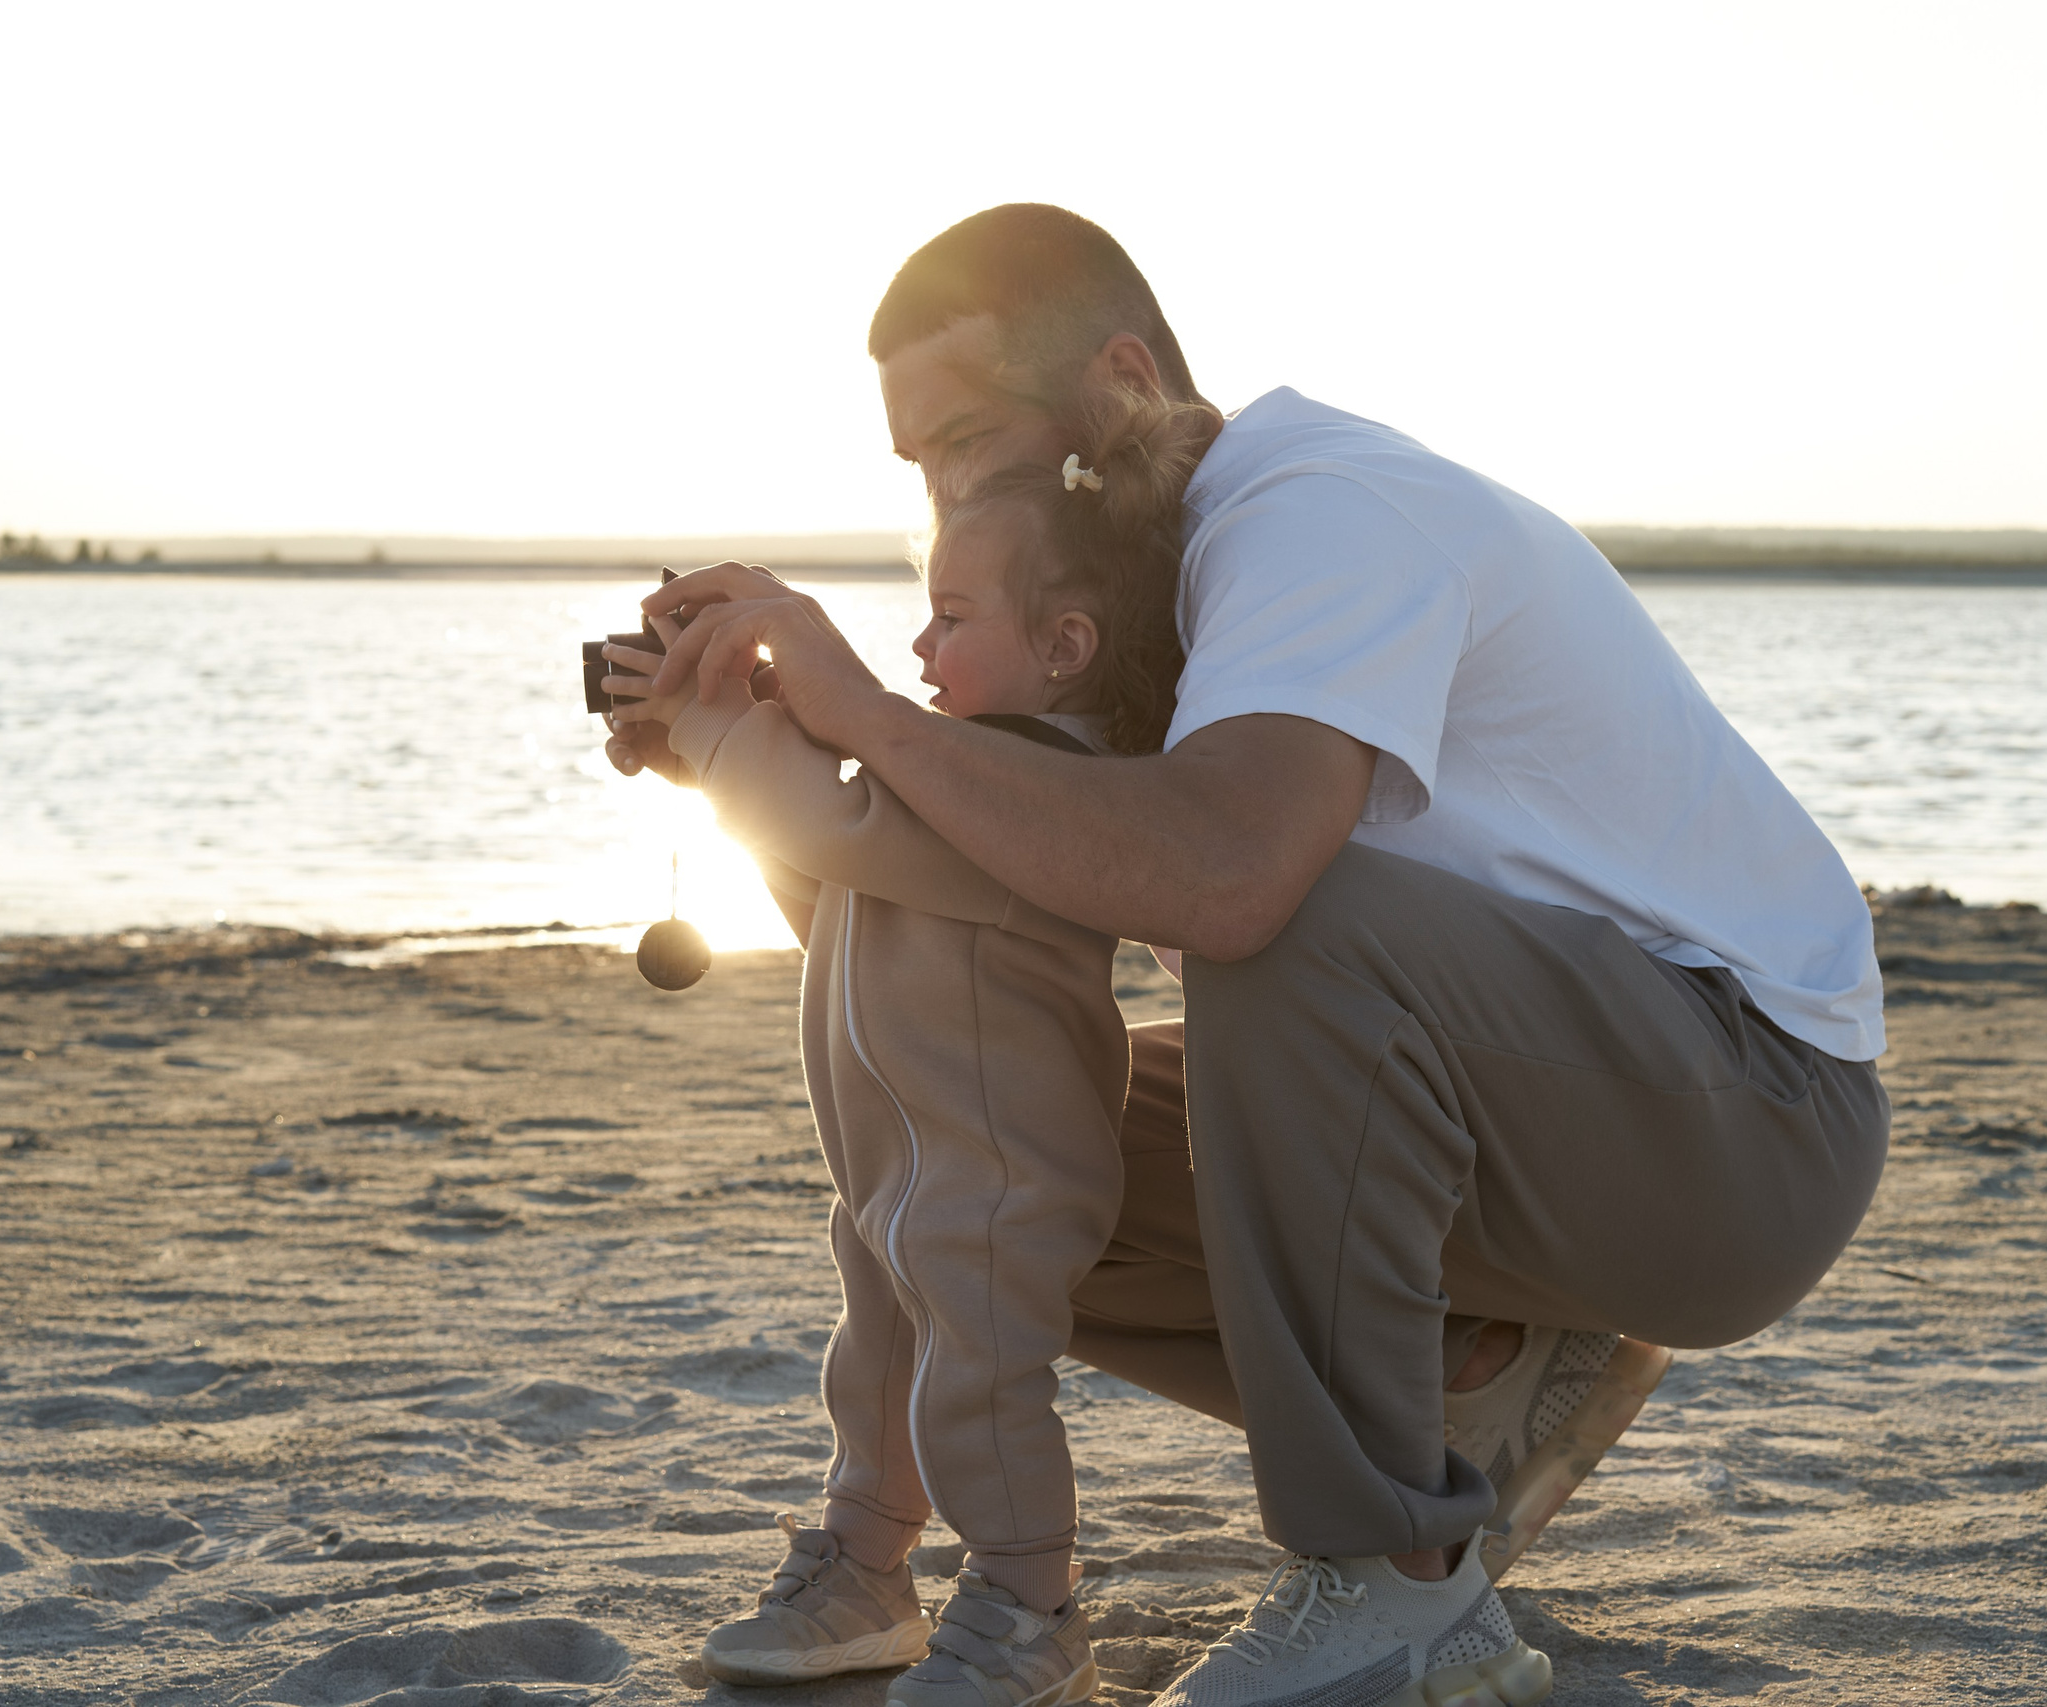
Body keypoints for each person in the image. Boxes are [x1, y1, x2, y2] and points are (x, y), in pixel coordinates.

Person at [611, 204, 1890, 1707]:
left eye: (968, 437)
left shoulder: (1315, 517)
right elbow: (943, 932)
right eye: (920, 465)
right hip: (1539, 1127)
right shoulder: (1113, 609)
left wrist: (873, 718)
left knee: (1288, 922)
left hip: (1743, 1126)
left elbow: (1230, 884)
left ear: (1123, 383)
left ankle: (1393, 1581)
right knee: (972, 1132)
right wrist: (752, 757)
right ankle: (1483, 1373)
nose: (948, 490)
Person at [604, 390, 1214, 1704]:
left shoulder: (1045, 787)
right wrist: (699, 730)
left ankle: (1028, 1605)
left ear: (1064, 644)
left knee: (977, 1392)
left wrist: (718, 724)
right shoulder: (949, 766)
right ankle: (869, 1571)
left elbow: (833, 820)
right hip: (896, 1157)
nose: (921, 649)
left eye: (951, 620)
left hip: (1002, 1167)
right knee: (873, 1365)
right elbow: (835, 838)